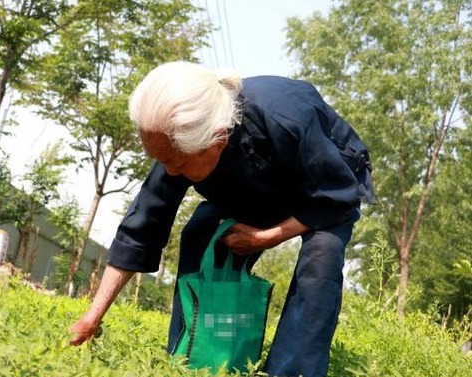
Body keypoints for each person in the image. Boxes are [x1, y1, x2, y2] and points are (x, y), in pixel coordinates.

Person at [69, 61, 374, 377]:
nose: (169, 172)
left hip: (327, 183)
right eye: (161, 160)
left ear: (216, 142)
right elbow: (142, 227)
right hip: (260, 185)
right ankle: (193, 356)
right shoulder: (178, 141)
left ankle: (292, 370)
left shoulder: (285, 117)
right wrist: (93, 315)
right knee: (202, 233)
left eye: (176, 164)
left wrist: (266, 237)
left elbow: (336, 198)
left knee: (321, 255)